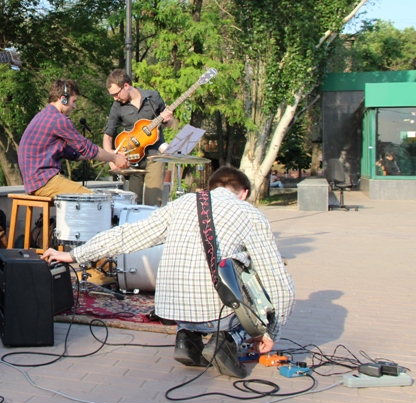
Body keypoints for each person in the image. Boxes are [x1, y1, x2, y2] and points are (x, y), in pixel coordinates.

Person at [42, 167, 295, 378]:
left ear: (210, 187)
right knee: (252, 273)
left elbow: (128, 235)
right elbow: (276, 279)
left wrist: (74, 255)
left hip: (173, 310)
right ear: (244, 193)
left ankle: (187, 338)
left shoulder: (182, 204)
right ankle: (226, 341)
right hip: (219, 314)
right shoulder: (249, 214)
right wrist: (270, 332)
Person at [18, 79, 130, 198]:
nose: (75, 106)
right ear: (63, 99)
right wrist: (114, 158)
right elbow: (87, 149)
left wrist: (107, 153)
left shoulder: (43, 115)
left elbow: (72, 153)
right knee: (94, 200)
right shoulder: (59, 120)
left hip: (34, 181)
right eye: (74, 101)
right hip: (44, 181)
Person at [103, 69, 175, 206]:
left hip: (154, 156)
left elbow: (169, 123)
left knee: (153, 202)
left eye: (116, 94)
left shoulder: (153, 96)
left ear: (126, 86)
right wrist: (111, 159)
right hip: (131, 158)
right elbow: (108, 135)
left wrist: (168, 119)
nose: (115, 98)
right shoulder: (117, 105)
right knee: (132, 203)